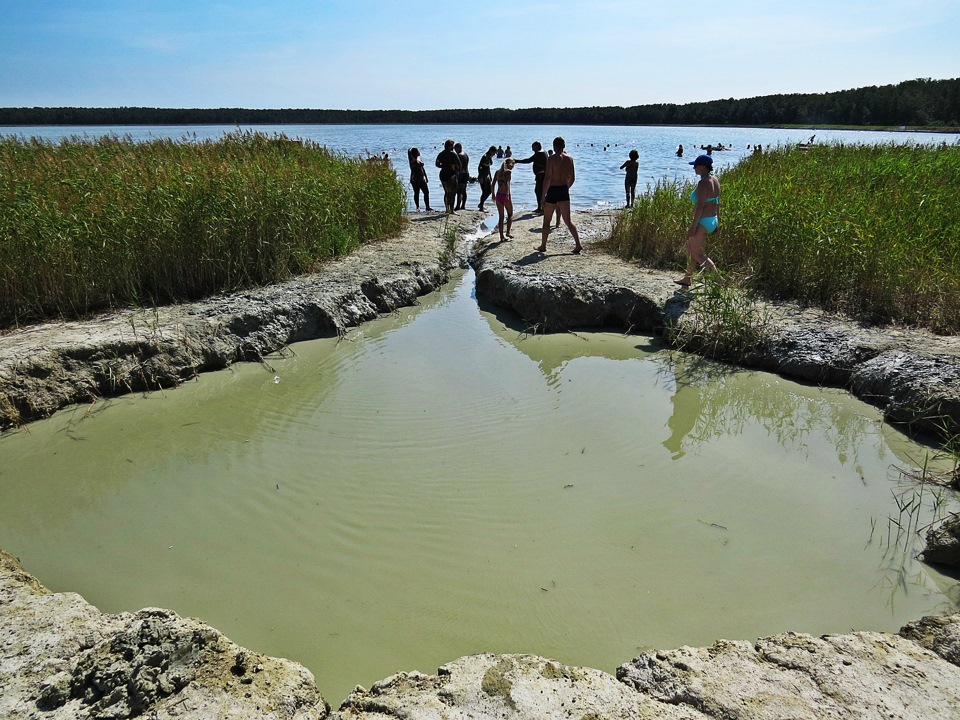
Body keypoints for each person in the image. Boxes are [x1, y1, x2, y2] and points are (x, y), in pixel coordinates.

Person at [674, 154, 719, 287]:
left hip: (702, 221)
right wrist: (717, 222)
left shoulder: (703, 183)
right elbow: (717, 203)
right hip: (712, 219)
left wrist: (693, 226)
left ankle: (719, 280)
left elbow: (700, 206)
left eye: (696, 166)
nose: (694, 168)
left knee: (699, 254)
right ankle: (688, 278)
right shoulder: (715, 180)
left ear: (703, 167)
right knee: (690, 249)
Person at [535, 137, 582, 254]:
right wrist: (566, 188)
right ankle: (578, 244)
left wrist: (543, 196)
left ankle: (543, 246)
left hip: (553, 190)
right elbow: (572, 178)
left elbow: (548, 178)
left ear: (554, 146)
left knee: (547, 221)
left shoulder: (551, 159)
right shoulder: (570, 159)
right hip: (563, 189)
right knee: (568, 220)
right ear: (564, 146)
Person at [514, 141, 548, 215]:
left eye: (533, 147)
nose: (532, 149)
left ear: (537, 146)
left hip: (541, 175)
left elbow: (529, 160)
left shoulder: (539, 153)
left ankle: (543, 209)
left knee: (540, 191)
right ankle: (540, 207)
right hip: (541, 175)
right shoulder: (543, 152)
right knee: (537, 191)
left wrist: (517, 161)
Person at [435, 139, 463, 214]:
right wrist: (455, 169)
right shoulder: (453, 154)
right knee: (452, 193)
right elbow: (460, 165)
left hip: (443, 174)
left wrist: (444, 165)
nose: (453, 147)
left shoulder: (441, 154)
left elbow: (437, 164)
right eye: (453, 145)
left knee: (446, 192)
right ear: (450, 146)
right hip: (451, 175)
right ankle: (451, 210)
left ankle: (447, 209)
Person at [491, 158, 516, 242]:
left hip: (498, 195)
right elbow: (507, 184)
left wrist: (493, 194)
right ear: (510, 164)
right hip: (506, 196)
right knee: (510, 214)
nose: (513, 166)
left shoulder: (497, 172)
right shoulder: (508, 172)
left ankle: (501, 236)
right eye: (513, 164)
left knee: (501, 217)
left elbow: (493, 184)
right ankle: (508, 232)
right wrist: (507, 196)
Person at [407, 147, 433, 212]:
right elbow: (409, 151)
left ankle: (427, 206)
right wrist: (411, 149)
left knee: (426, 192)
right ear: (415, 153)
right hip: (415, 178)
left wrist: (426, 177)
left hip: (421, 178)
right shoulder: (412, 159)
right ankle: (417, 207)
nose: (419, 152)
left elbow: (422, 168)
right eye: (418, 151)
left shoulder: (419, 158)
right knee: (416, 193)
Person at [476, 145, 496, 210]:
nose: (494, 154)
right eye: (494, 153)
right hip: (482, 176)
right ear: (491, 151)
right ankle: (481, 207)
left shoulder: (489, 157)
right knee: (484, 191)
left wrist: (490, 176)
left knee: (490, 191)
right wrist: (480, 176)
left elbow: (488, 167)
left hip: (487, 176)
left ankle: (481, 203)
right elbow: (480, 167)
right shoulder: (484, 157)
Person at [454, 142, 469, 211]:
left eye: (455, 148)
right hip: (466, 173)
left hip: (461, 174)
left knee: (459, 191)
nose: (454, 150)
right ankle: (463, 205)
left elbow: (458, 166)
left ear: (459, 148)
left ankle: (458, 206)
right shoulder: (465, 154)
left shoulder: (459, 155)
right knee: (464, 190)